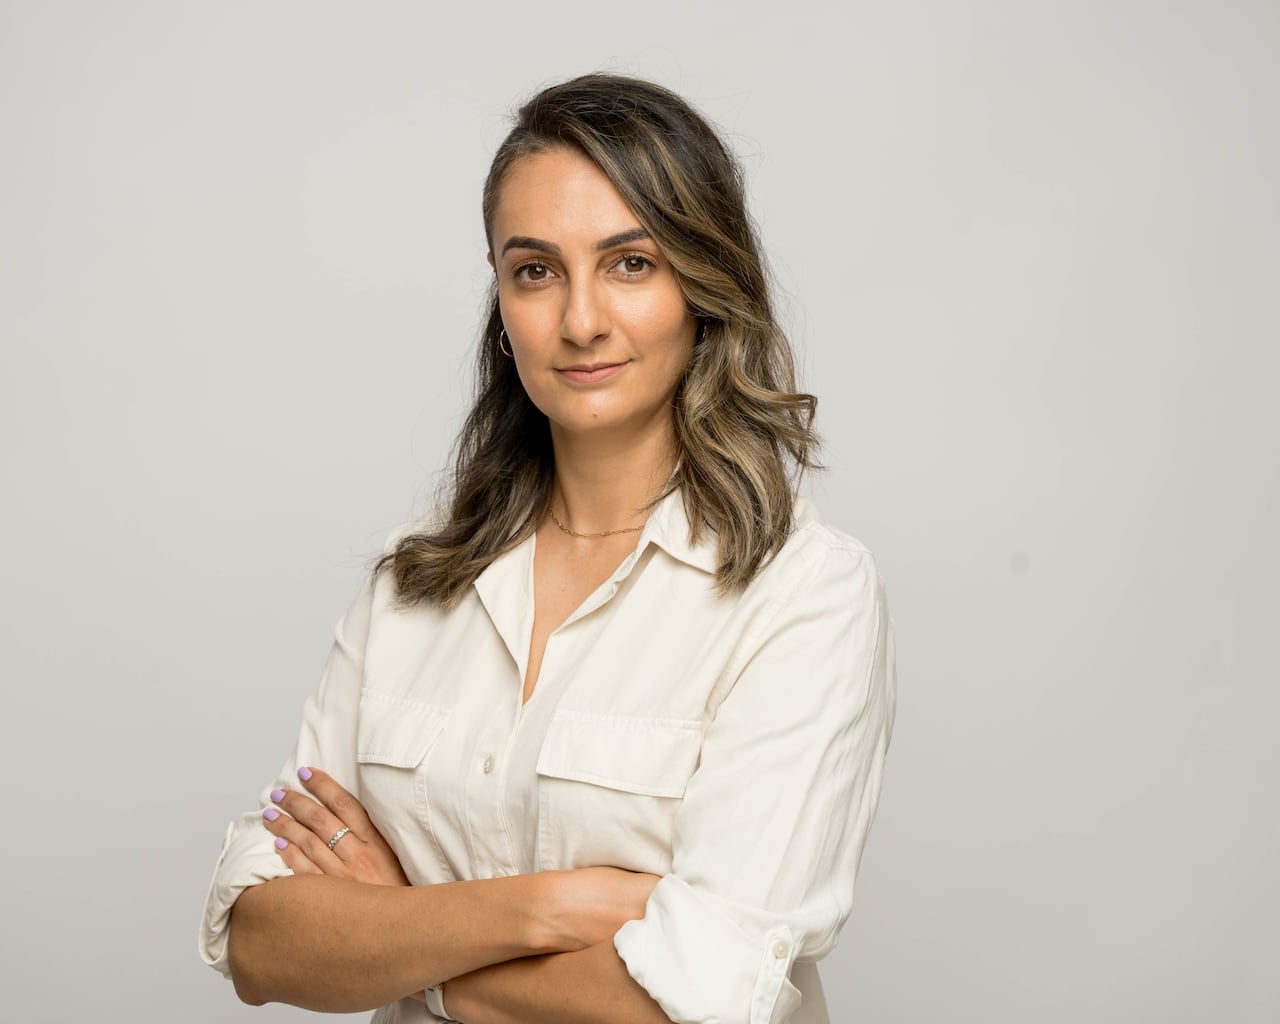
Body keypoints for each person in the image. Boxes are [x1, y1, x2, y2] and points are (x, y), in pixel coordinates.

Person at [199, 73, 896, 1024]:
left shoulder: (804, 595)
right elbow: (258, 939)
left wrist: (396, 934)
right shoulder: (413, 586)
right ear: (501, 300)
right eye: (535, 270)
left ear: (704, 282)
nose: (579, 320)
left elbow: (689, 1005)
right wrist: (549, 908)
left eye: (631, 263)